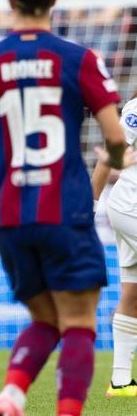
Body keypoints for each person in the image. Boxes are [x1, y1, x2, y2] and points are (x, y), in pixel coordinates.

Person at [0, 0, 125, 415]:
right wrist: (119, 158)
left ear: (10, 1)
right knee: (78, 323)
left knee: (45, 320)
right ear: (54, 0)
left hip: (9, 213)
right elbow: (114, 137)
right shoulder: (78, 59)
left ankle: (13, 393)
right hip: (65, 208)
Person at [91, 92, 137, 397]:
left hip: (127, 208)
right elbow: (111, 151)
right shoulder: (136, 108)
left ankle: (121, 381)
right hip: (130, 205)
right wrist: (90, 203)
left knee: (132, 292)